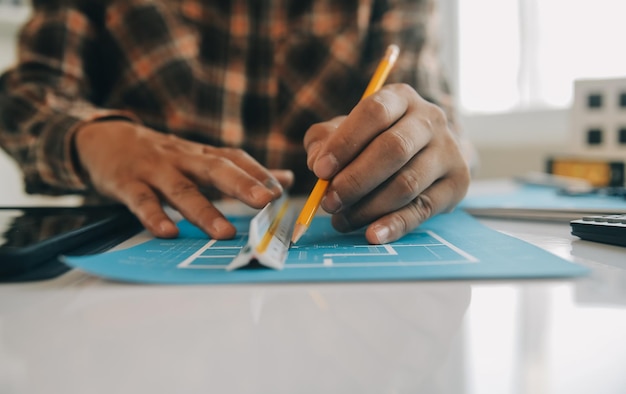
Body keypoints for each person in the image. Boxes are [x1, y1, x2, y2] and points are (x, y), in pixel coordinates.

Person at [0, 0, 471, 245]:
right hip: (122, 253)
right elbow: (24, 94)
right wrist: (95, 139)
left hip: (343, 261)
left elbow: (431, 120)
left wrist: (424, 149)